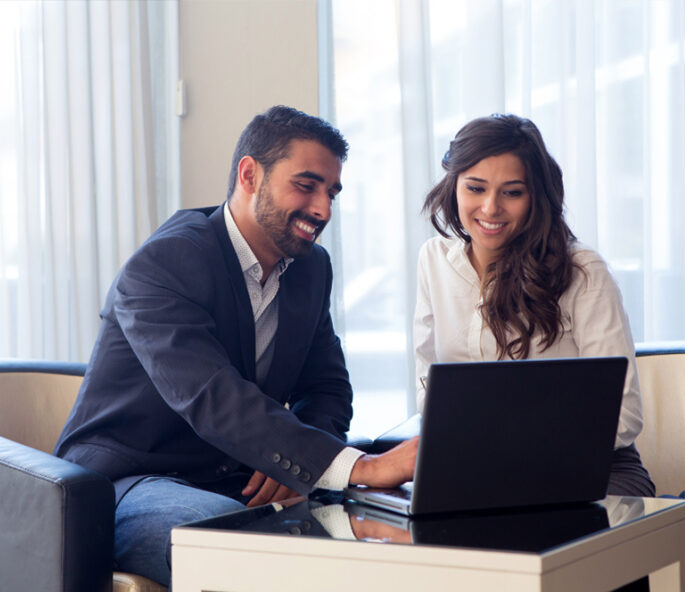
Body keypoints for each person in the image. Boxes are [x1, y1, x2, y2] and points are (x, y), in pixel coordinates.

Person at [53, 106, 421, 586]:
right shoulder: (167, 262)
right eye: (306, 185)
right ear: (250, 175)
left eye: (331, 192)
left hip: (234, 479)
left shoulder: (311, 270)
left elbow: (327, 387)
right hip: (129, 480)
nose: (323, 209)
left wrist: (296, 468)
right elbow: (213, 398)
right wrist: (362, 467)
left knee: (384, 535)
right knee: (244, 546)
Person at [409, 115, 685, 568]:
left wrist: (505, 449)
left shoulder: (582, 272)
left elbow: (625, 415)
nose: (490, 208)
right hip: (479, 476)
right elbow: (427, 389)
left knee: (535, 544)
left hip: (592, 476)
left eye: (511, 192)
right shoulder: (433, 260)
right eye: (475, 188)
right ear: (453, 185)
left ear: (537, 197)